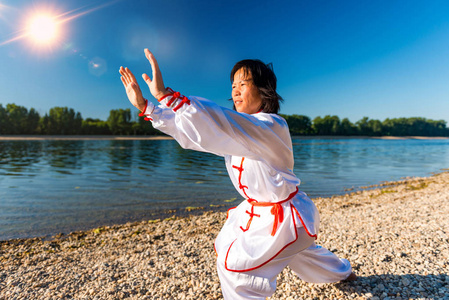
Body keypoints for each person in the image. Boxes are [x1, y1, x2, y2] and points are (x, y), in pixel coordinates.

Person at [119, 49, 356, 300]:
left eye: (243, 84)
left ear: (264, 90)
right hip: (264, 213)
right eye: (233, 85)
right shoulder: (238, 133)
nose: (235, 90)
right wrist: (148, 107)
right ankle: (343, 272)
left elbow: (220, 122)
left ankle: (338, 271)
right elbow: (196, 134)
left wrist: (166, 95)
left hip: (285, 217)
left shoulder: (271, 126)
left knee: (237, 269)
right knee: (298, 252)